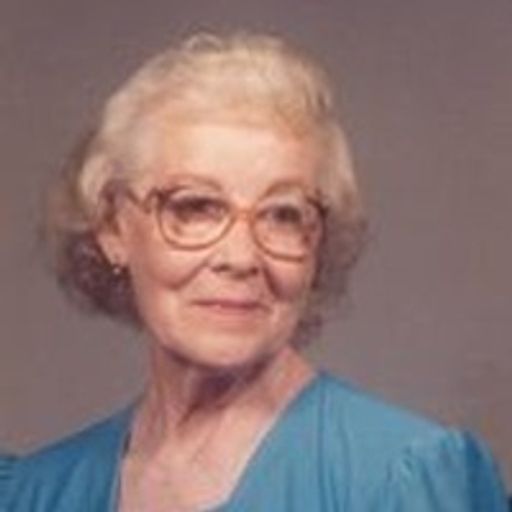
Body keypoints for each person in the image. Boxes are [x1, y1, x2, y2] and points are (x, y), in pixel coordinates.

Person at [0, 31, 508, 512]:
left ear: (318, 241)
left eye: (283, 215)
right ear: (113, 228)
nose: (242, 257)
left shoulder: (400, 478)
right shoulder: (36, 493)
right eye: (195, 207)